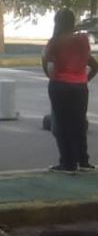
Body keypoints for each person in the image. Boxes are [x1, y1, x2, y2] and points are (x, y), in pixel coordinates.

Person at [42, 9, 98, 173]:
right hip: (80, 88)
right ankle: (83, 162)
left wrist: (52, 78)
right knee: (79, 124)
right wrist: (83, 80)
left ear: (57, 22)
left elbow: (45, 63)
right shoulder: (82, 40)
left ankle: (67, 163)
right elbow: (94, 66)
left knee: (62, 125)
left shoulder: (55, 41)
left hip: (60, 85)